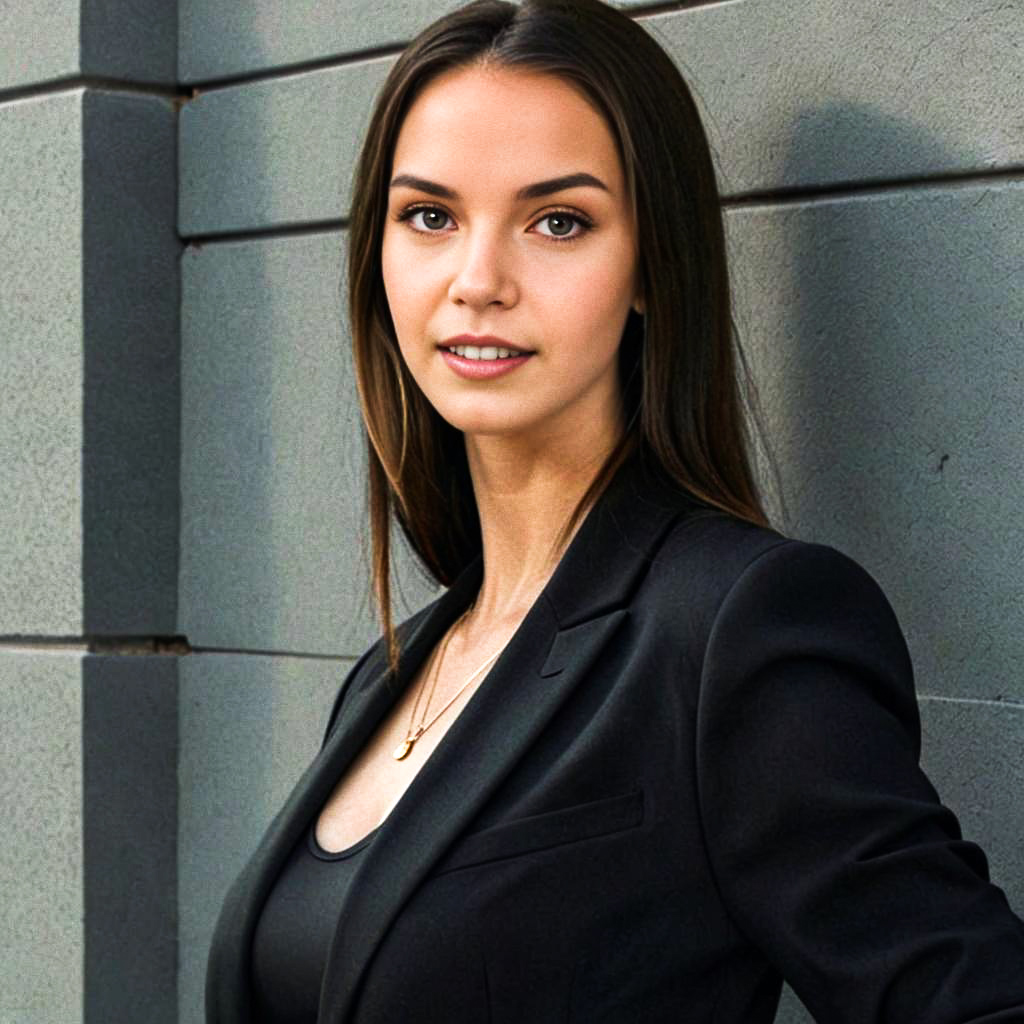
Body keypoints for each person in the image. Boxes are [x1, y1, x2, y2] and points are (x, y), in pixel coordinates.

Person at [205, 1, 1024, 1021]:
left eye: (558, 220)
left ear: (648, 265)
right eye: (429, 215)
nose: (476, 281)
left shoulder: (739, 629)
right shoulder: (394, 666)